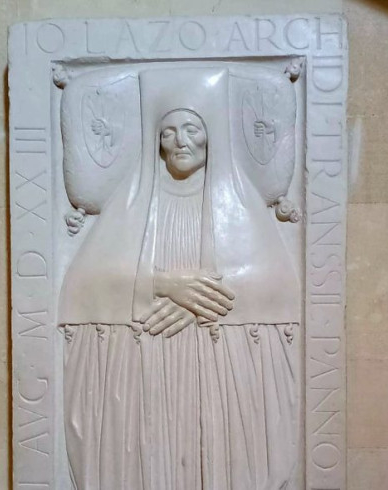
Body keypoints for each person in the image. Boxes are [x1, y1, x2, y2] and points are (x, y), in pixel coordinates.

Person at [59, 66, 300, 490]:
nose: (180, 141)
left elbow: (273, 284)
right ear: (156, 142)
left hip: (216, 362)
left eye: (192, 129)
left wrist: (200, 303)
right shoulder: (132, 204)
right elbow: (87, 281)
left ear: (211, 136)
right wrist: (165, 286)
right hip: (148, 360)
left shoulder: (238, 205)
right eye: (168, 132)